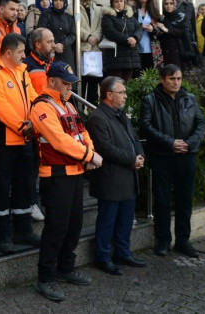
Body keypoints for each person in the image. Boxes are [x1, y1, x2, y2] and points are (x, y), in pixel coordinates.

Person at [30, 61, 102, 302]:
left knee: (73, 225)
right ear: (51, 81)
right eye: (65, 83)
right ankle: (46, 278)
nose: (69, 87)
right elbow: (59, 141)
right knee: (56, 229)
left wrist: (89, 153)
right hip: (55, 174)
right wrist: (89, 155)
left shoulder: (68, 104)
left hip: (74, 172)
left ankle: (66, 268)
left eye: (71, 83)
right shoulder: (42, 106)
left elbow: (83, 134)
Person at [140, 64, 205, 258]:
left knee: (185, 200)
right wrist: (170, 143)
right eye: (172, 79)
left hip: (187, 155)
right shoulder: (150, 100)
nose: (176, 82)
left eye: (178, 78)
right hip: (163, 156)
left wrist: (188, 143)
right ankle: (163, 240)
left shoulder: (190, 98)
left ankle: (183, 240)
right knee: (162, 200)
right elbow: (146, 125)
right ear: (162, 79)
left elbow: (200, 123)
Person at [0, 33, 40, 253]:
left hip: (26, 137)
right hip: (6, 141)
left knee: (24, 184)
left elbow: (34, 98)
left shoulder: (22, 71)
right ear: (8, 53)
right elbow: (0, 105)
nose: (24, 56)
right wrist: (22, 125)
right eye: (20, 52)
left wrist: (35, 122)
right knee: (1, 187)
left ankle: (23, 229)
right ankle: (3, 235)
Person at [87, 76, 146, 276]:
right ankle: (103, 257)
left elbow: (134, 138)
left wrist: (140, 156)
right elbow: (106, 148)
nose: (125, 96)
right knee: (108, 220)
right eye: (121, 92)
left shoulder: (120, 115)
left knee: (125, 220)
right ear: (109, 95)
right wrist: (132, 159)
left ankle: (123, 253)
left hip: (128, 176)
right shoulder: (97, 117)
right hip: (111, 179)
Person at [23, 27, 56, 221]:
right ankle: (31, 202)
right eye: (49, 41)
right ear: (37, 44)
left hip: (50, 123)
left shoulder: (51, 64)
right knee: (31, 167)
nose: (54, 45)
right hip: (33, 124)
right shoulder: (27, 65)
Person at [101, 0, 141, 82]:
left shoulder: (130, 16)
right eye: (116, 1)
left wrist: (135, 38)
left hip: (131, 57)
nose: (119, 3)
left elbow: (139, 29)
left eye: (121, 1)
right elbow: (110, 32)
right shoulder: (108, 17)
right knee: (115, 84)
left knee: (128, 85)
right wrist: (128, 39)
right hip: (115, 58)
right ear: (112, 4)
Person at [37, 0, 76, 67]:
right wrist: (53, 45)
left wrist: (63, 44)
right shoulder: (46, 15)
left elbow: (72, 35)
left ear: (65, 2)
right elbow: (40, 31)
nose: (58, 2)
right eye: (56, 0)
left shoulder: (69, 17)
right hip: (50, 52)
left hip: (65, 53)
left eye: (61, 0)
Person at [79, 0, 103, 103]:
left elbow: (100, 26)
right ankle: (81, 108)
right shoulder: (74, 8)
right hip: (82, 48)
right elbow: (75, 26)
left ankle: (92, 107)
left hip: (95, 49)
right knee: (82, 81)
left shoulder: (98, 9)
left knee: (94, 83)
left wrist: (96, 37)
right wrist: (87, 36)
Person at [134, 0, 163, 73]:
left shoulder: (154, 11)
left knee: (150, 73)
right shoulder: (132, 10)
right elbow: (128, 25)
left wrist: (153, 29)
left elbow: (161, 28)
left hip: (152, 47)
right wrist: (140, 26)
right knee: (137, 74)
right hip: (135, 46)